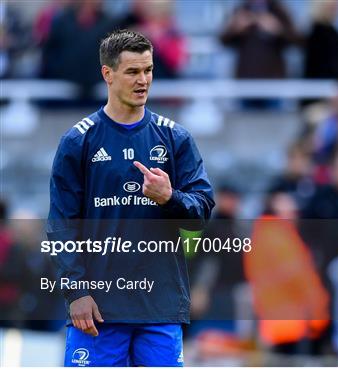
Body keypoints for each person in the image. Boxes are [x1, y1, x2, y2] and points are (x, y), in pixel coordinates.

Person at [47, 30, 214, 366]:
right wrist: (76, 291)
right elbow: (62, 225)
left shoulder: (175, 138)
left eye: (148, 70)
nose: (143, 80)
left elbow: (200, 214)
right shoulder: (78, 141)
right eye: (133, 72)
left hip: (160, 308)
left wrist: (170, 198)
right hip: (98, 309)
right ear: (108, 74)